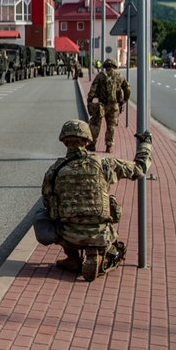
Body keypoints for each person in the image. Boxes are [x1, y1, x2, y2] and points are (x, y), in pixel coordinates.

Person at [41, 120, 152, 282]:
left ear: (64, 141)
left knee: (44, 214)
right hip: (101, 233)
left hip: (68, 235)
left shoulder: (53, 170)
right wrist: (145, 144)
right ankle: (101, 253)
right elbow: (139, 169)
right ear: (86, 141)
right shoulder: (104, 164)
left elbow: (47, 201)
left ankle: (72, 258)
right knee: (110, 204)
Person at [86, 58, 124, 152]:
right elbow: (126, 90)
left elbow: (93, 89)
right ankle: (109, 146)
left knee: (95, 124)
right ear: (114, 66)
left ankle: (92, 144)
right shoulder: (119, 76)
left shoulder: (100, 76)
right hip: (114, 105)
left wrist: (89, 100)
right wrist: (122, 102)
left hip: (101, 105)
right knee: (111, 126)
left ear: (105, 66)